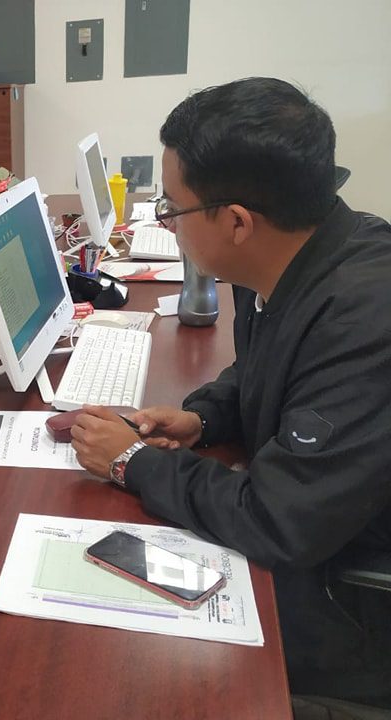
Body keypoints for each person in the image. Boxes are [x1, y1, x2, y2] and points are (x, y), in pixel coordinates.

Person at [68, 78, 391, 711]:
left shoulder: (366, 316)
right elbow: (261, 369)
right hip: (318, 534)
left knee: (123, 680)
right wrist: (200, 418)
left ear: (238, 222)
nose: (168, 223)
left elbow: (278, 519)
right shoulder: (287, 260)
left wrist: (134, 461)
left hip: (340, 603)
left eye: (173, 209)